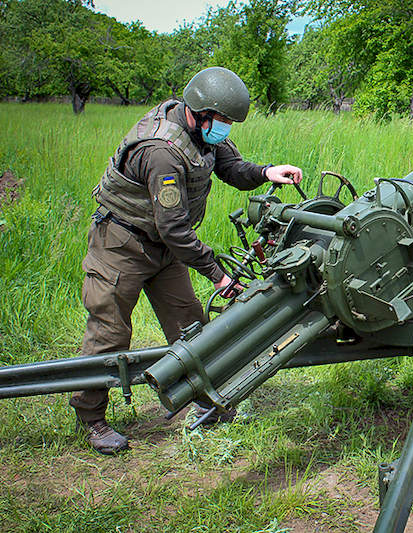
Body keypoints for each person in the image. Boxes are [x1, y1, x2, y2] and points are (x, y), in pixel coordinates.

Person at [72, 66, 304, 455]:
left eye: (231, 121)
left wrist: (267, 173)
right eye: (223, 120)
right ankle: (92, 418)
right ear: (200, 111)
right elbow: (175, 228)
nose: (226, 127)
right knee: (109, 333)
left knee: (191, 326)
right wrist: (218, 276)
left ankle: (204, 398)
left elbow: (232, 169)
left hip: (164, 249)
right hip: (121, 245)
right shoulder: (162, 151)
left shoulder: (203, 132)